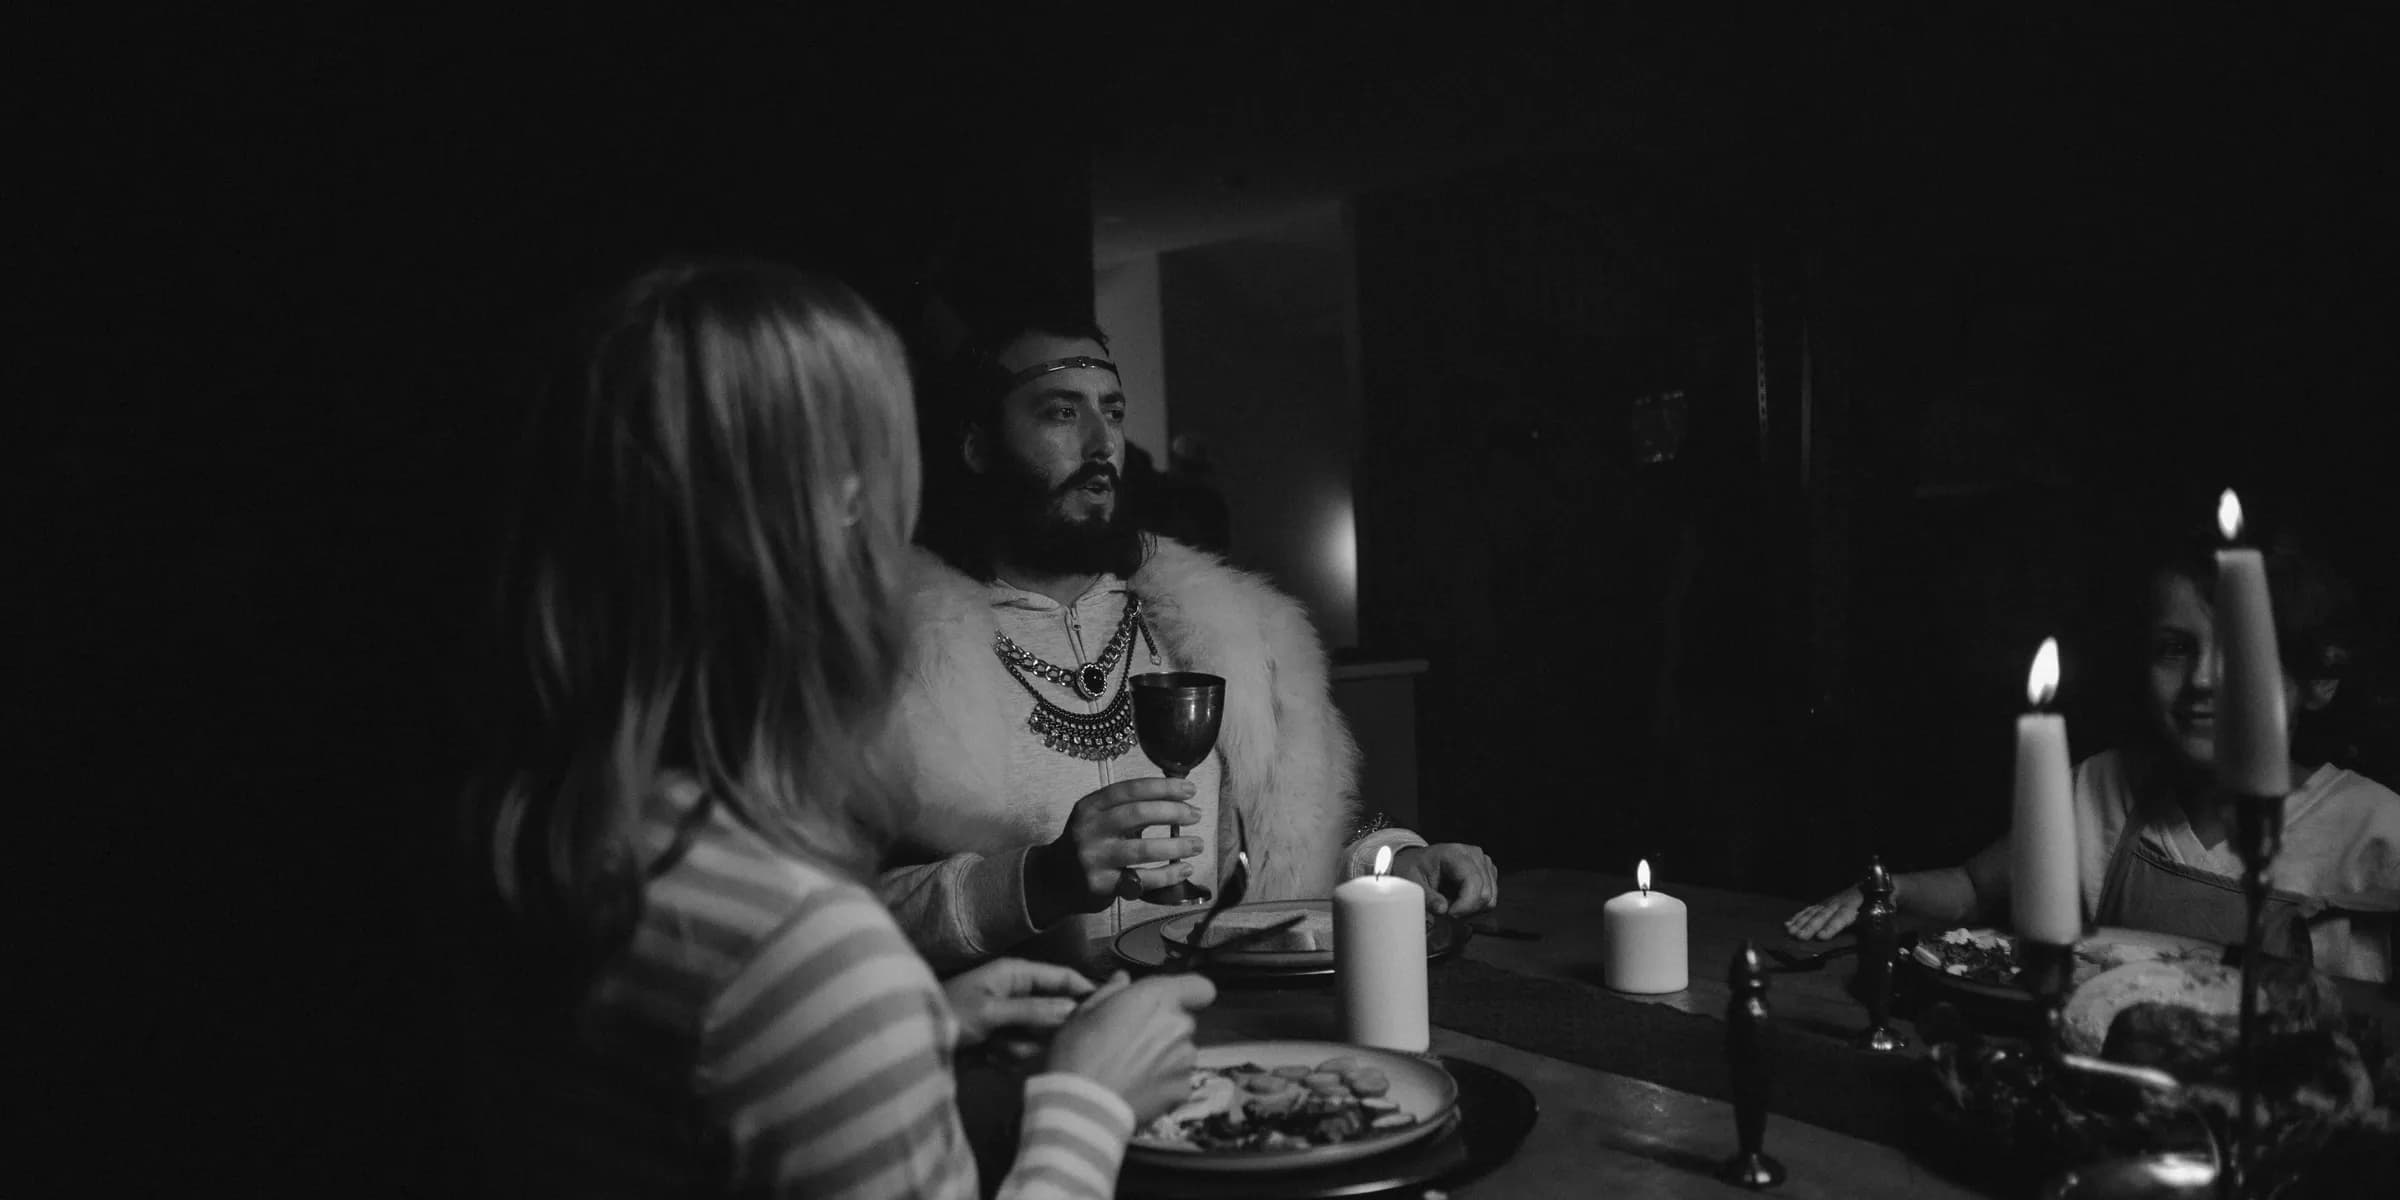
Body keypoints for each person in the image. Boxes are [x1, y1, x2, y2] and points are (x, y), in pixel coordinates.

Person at [458, 259, 1215, 1198]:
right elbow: (778, 999)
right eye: (867, 486)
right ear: (809, 538)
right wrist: (1088, 1104)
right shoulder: (799, 949)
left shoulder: (548, 838)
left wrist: (908, 1030)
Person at [880, 308, 1499, 972]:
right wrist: (1032, 883)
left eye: (1113, 413)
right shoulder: (894, 659)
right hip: (1033, 1050)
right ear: (977, 445)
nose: (1101, 445)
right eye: (1061, 414)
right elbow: (839, 916)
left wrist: (1396, 864)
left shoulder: (1239, 633)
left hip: (1231, 1032)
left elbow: (1286, 854)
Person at [1785, 533, 2399, 981]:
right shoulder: (2105, 787)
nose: (2204, 681)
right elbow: (1973, 886)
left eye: (2242, 649)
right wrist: (1890, 890)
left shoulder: (2376, 828)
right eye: (2176, 649)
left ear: (2320, 678)